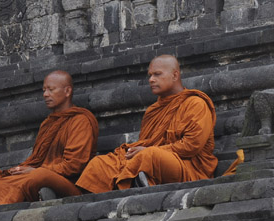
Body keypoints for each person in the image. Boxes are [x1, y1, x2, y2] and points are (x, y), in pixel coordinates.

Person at [75, 54, 217, 193]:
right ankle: (129, 184)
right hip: (153, 160)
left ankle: (135, 181)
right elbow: (146, 142)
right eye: (150, 75)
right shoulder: (153, 110)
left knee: (150, 155)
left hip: (188, 167)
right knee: (101, 162)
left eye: (157, 74)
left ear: (175, 75)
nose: (151, 80)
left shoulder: (196, 104)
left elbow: (191, 146)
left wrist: (148, 151)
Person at [0, 70, 99, 205]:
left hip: (70, 183)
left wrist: (37, 170)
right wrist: (21, 169)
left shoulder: (80, 121)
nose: (45, 94)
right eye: (44, 90)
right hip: (40, 175)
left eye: (51, 89)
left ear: (67, 91)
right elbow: (36, 159)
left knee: (38, 176)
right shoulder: (47, 123)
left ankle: (36, 192)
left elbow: (74, 166)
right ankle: (39, 193)